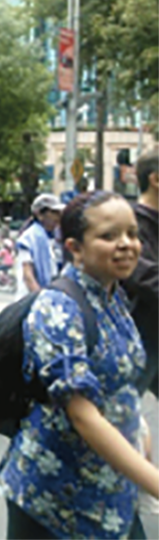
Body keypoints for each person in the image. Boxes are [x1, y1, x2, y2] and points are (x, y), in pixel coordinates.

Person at [0, 191, 159, 540]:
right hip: (52, 503)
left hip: (110, 490)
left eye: (132, 234)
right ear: (75, 247)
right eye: (109, 235)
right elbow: (83, 415)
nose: (126, 244)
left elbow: (119, 383)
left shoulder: (115, 298)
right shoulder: (59, 307)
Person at [124, 148, 159, 398]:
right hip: (139, 339)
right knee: (120, 410)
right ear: (155, 179)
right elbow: (144, 276)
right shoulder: (131, 224)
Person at [14, 194, 64, 299]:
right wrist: (41, 299)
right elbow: (28, 275)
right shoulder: (30, 238)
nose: (58, 217)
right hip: (31, 299)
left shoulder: (50, 238)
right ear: (40, 215)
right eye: (54, 212)